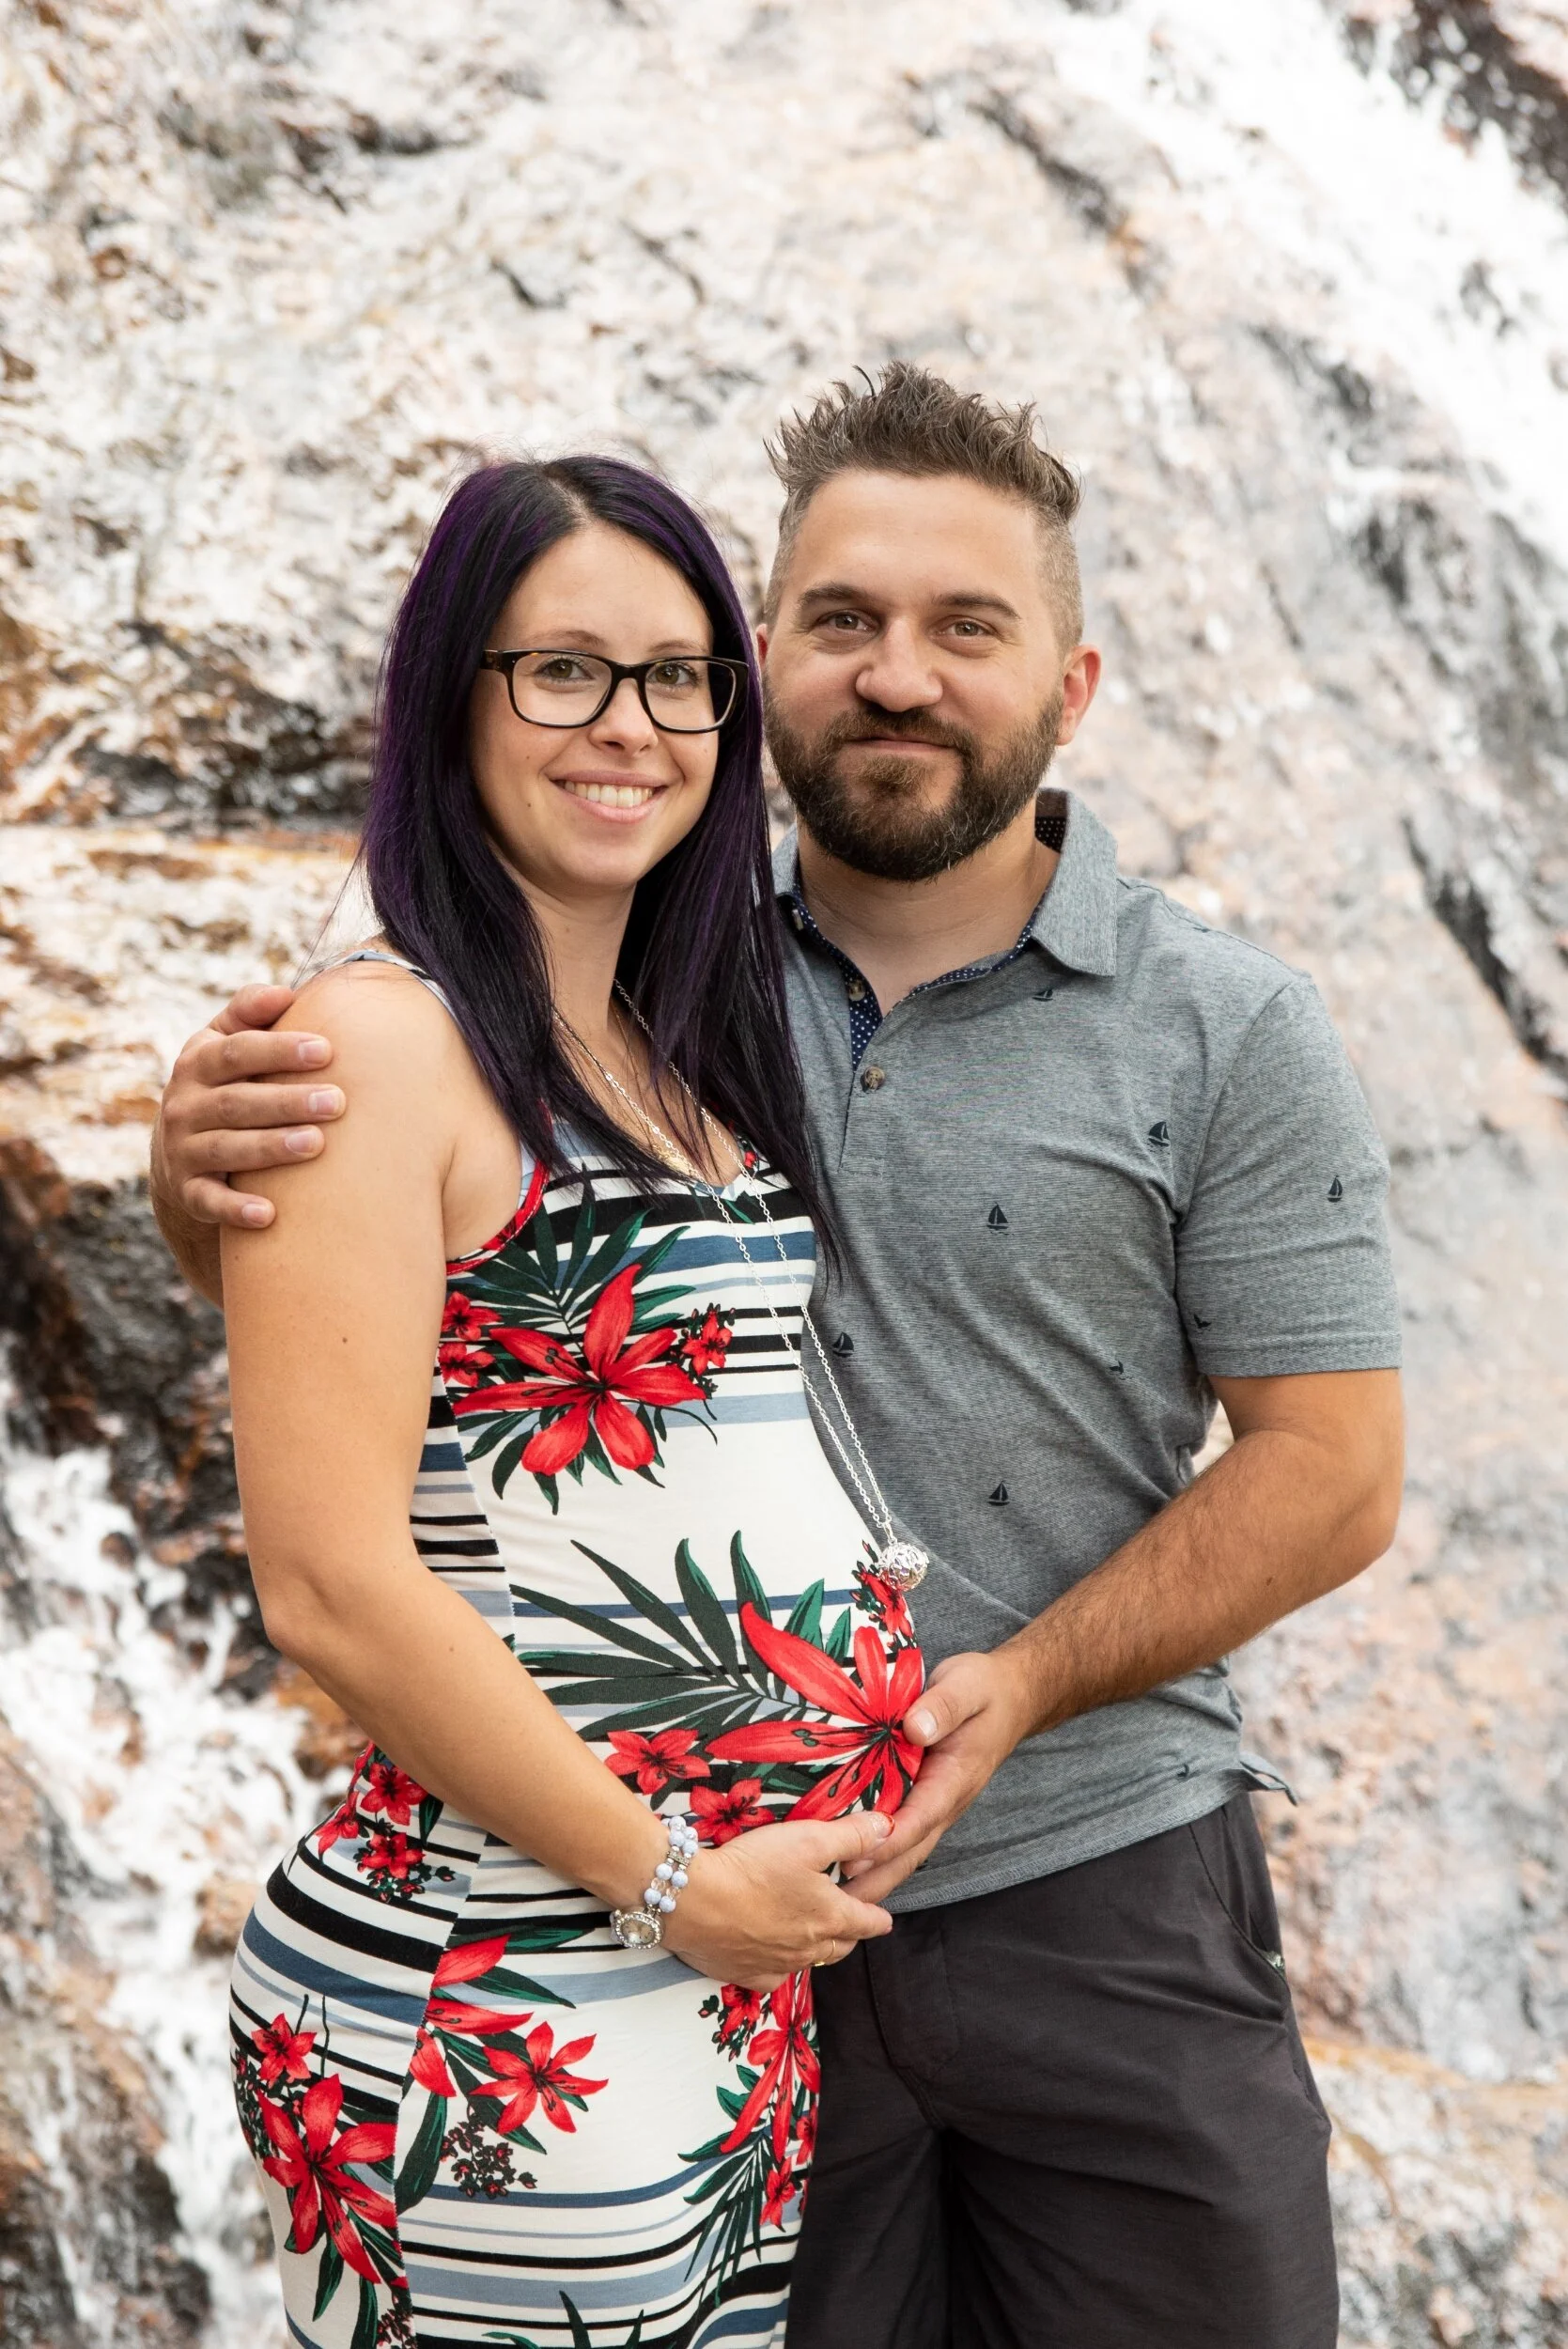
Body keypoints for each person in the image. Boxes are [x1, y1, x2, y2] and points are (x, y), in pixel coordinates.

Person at [153, 367, 1405, 2349]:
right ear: (775, 666)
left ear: (1072, 684)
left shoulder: (1220, 1023)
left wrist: (1025, 1679)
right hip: (689, 1930)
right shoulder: (647, 967)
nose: (897, 674)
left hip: (1094, 1878)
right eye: (839, 621)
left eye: (966, 625)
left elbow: (1333, 1471)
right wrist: (198, 1180)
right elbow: (401, 1345)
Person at [201, 450, 936, 2349]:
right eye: (563, 671)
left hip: (714, 1977)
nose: (631, 726)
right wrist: (674, 1879)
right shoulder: (379, 1042)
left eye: (680, 676)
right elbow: (331, 1586)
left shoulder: (672, 1048)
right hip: (503, 1976)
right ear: (453, 695)